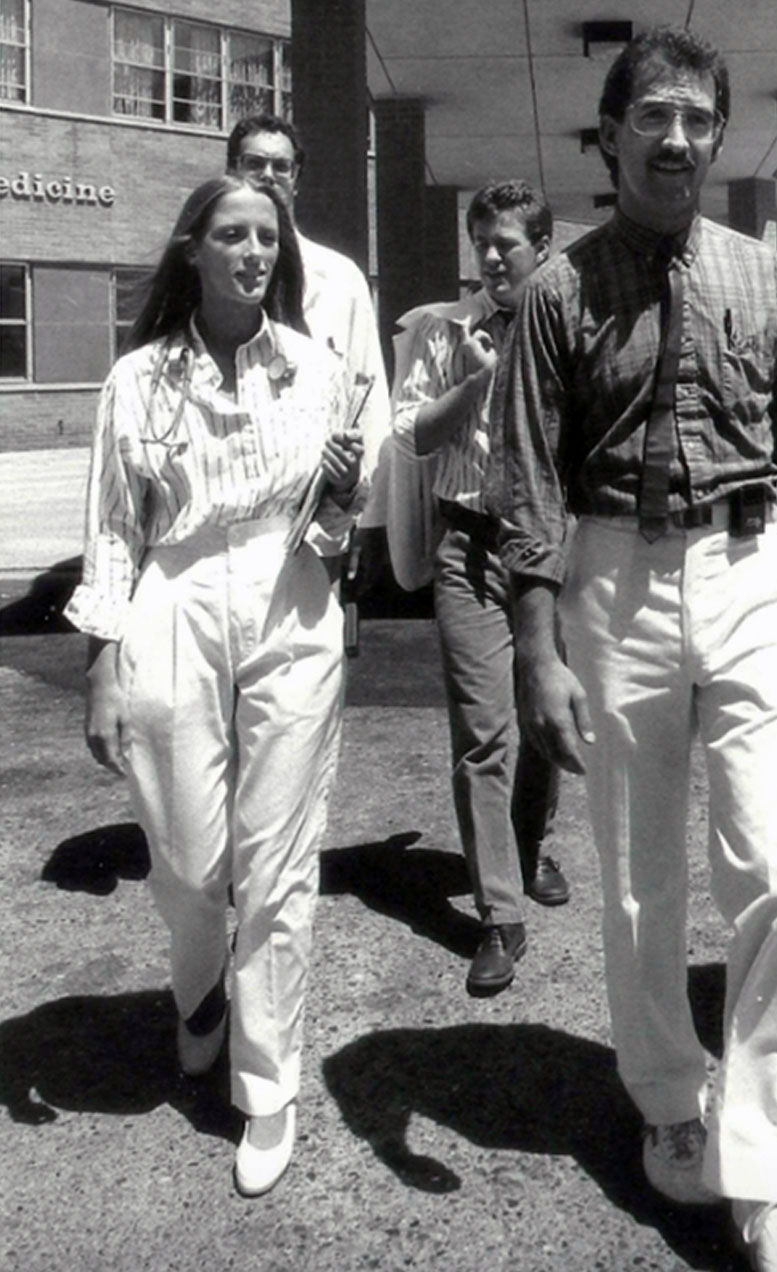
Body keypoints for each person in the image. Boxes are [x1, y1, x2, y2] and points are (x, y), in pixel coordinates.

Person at [486, 26, 777, 1272]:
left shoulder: (762, 273)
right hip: (615, 579)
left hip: (752, 567)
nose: (675, 138)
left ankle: (766, 1173)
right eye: (650, 115)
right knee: (640, 871)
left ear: (715, 132)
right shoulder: (554, 291)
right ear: (610, 136)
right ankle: (663, 1092)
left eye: (695, 118)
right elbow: (527, 482)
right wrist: (536, 650)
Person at [65, 174, 365, 1198]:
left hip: (290, 596)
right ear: (192, 247)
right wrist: (101, 662)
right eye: (232, 235)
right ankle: (201, 991)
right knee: (189, 854)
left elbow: (333, 531)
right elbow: (111, 525)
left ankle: (268, 1080)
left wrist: (341, 500)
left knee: (276, 860)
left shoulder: (314, 367)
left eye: (266, 238)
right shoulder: (139, 377)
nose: (252, 253)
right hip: (175, 591)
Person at [390, 180, 568, 997]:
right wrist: (472, 384)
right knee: (481, 733)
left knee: (541, 716)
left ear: (542, 249)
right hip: (467, 544)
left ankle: (530, 847)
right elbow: (414, 436)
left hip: (546, 554)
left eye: (510, 245)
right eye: (484, 245)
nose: (494, 258)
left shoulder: (570, 329)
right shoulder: (444, 332)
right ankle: (498, 914)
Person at [225, 114, 394, 589]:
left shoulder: (340, 279)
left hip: (320, 512)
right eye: (254, 164)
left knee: (313, 652)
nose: (269, 177)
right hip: (231, 508)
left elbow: (370, 395)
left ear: (296, 178)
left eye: (282, 166)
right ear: (231, 172)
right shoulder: (207, 274)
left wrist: (369, 518)